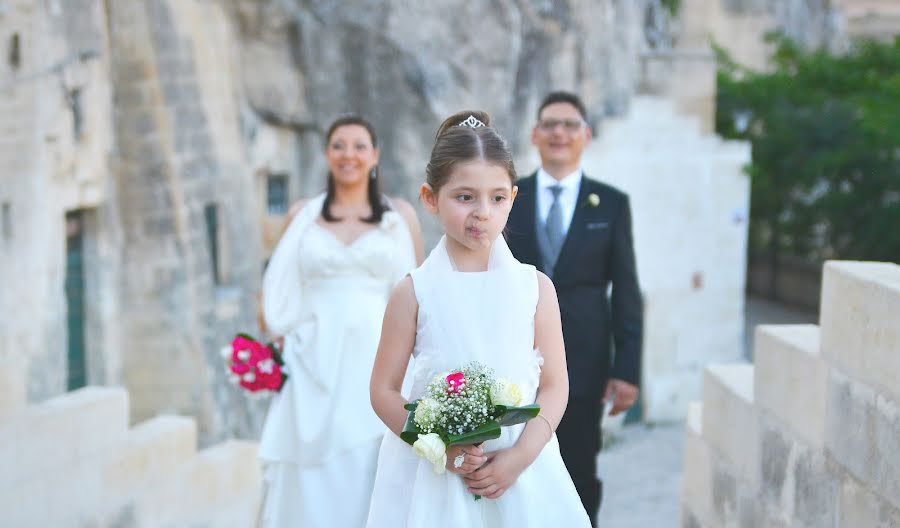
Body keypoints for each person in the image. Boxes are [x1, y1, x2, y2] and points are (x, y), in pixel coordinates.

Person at [366, 110, 591, 527]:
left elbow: (556, 384)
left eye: (497, 197)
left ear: (513, 199)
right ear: (431, 198)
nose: (482, 212)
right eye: (464, 196)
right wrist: (438, 448)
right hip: (434, 477)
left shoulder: (535, 288)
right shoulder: (413, 292)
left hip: (520, 470)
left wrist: (520, 458)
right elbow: (383, 390)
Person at [257, 114, 424, 527]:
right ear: (327, 154)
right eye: (339, 146)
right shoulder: (302, 214)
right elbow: (278, 284)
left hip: (377, 354)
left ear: (375, 155)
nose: (348, 155)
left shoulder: (399, 216)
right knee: (312, 472)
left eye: (359, 146)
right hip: (311, 358)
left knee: (372, 458)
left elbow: (421, 294)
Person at [505, 91, 643, 525]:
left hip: (585, 361)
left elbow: (625, 288)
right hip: (514, 356)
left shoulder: (612, 203)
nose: (559, 133)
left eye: (569, 125)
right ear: (535, 135)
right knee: (513, 466)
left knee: (580, 470)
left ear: (585, 135)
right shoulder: (508, 196)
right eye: (550, 124)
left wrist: (627, 369)